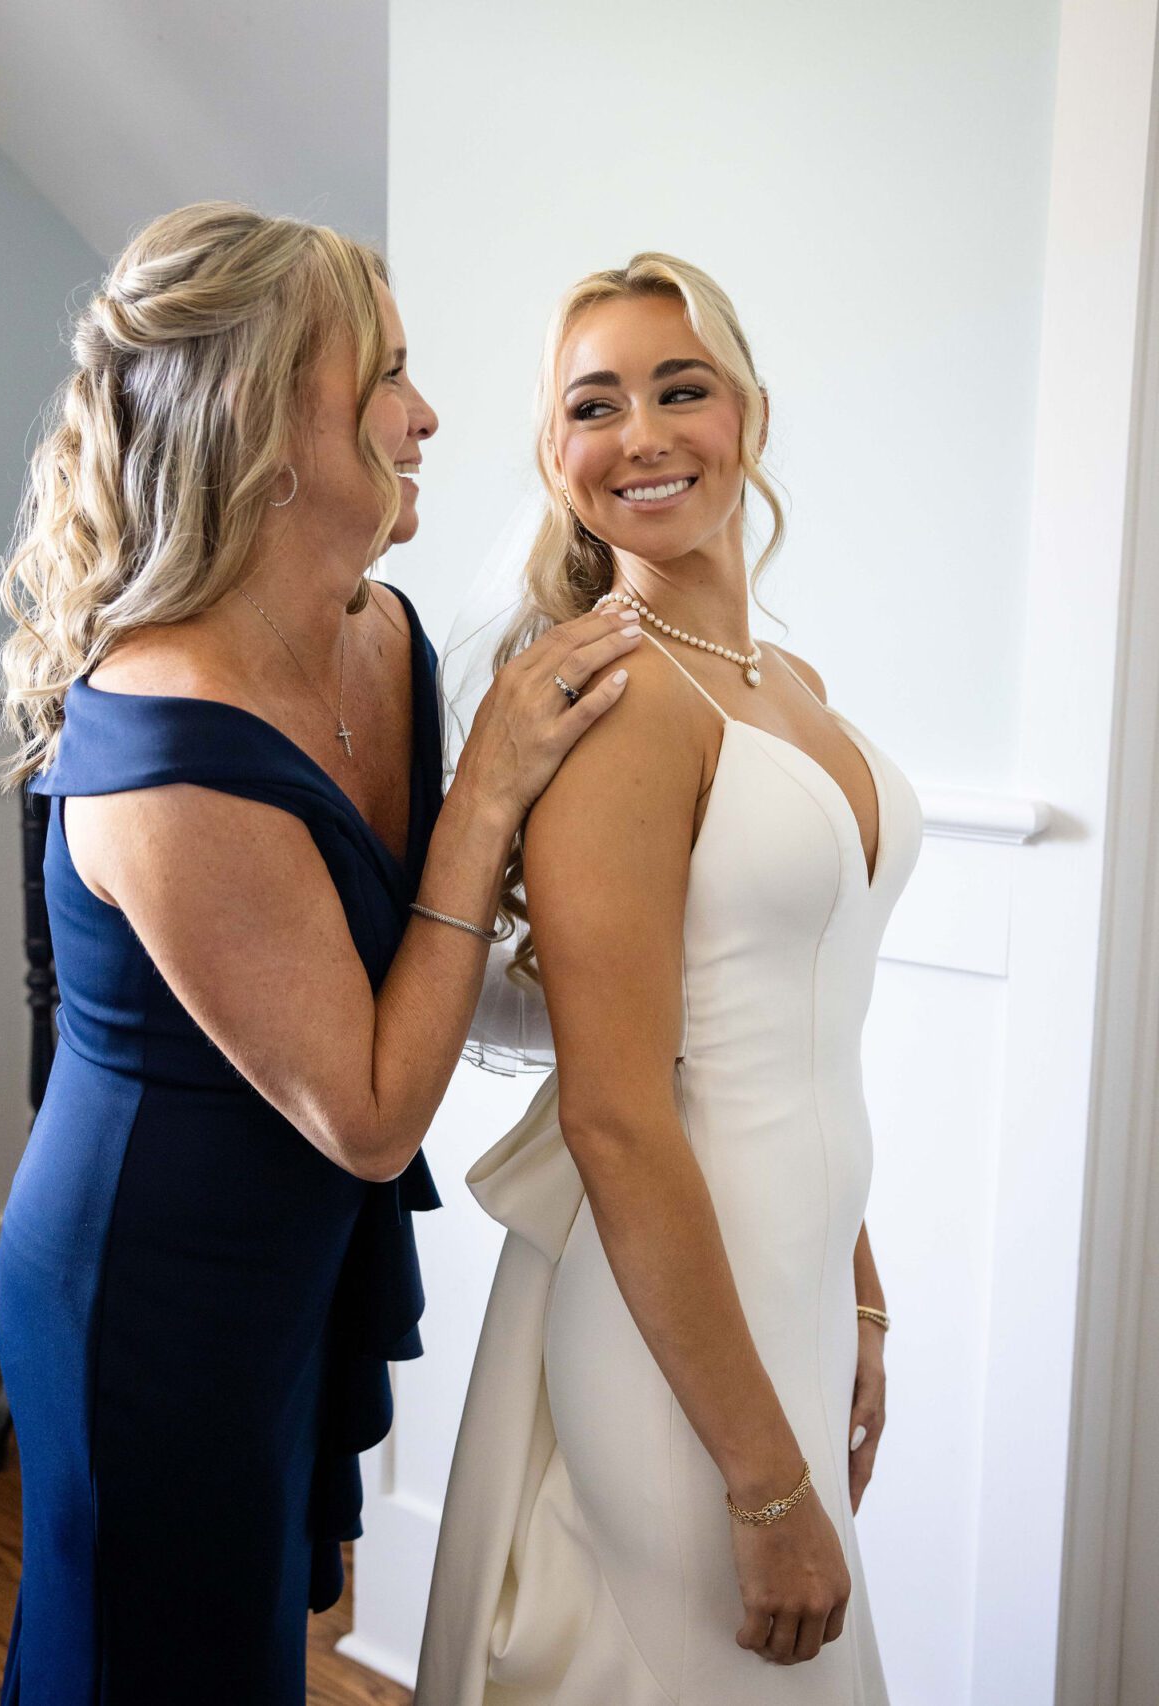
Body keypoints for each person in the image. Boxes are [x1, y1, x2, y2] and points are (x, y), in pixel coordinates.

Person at [0, 201, 642, 1706]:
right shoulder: (164, 749)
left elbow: (423, 951)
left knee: (258, 1639)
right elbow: (366, 1109)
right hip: (144, 1288)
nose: (429, 414)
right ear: (271, 429)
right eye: (388, 375)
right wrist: (488, 789)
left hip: (290, 1268)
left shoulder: (383, 636)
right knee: (143, 1666)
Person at [417, 253, 924, 1704]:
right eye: (595, 404)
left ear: (748, 414)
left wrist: (863, 1299)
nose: (640, 432)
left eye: (678, 388)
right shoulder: (623, 703)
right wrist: (766, 1484)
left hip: (792, 1300)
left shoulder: (793, 688)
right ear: (553, 457)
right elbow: (621, 1117)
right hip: (674, 1358)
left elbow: (806, 1035)